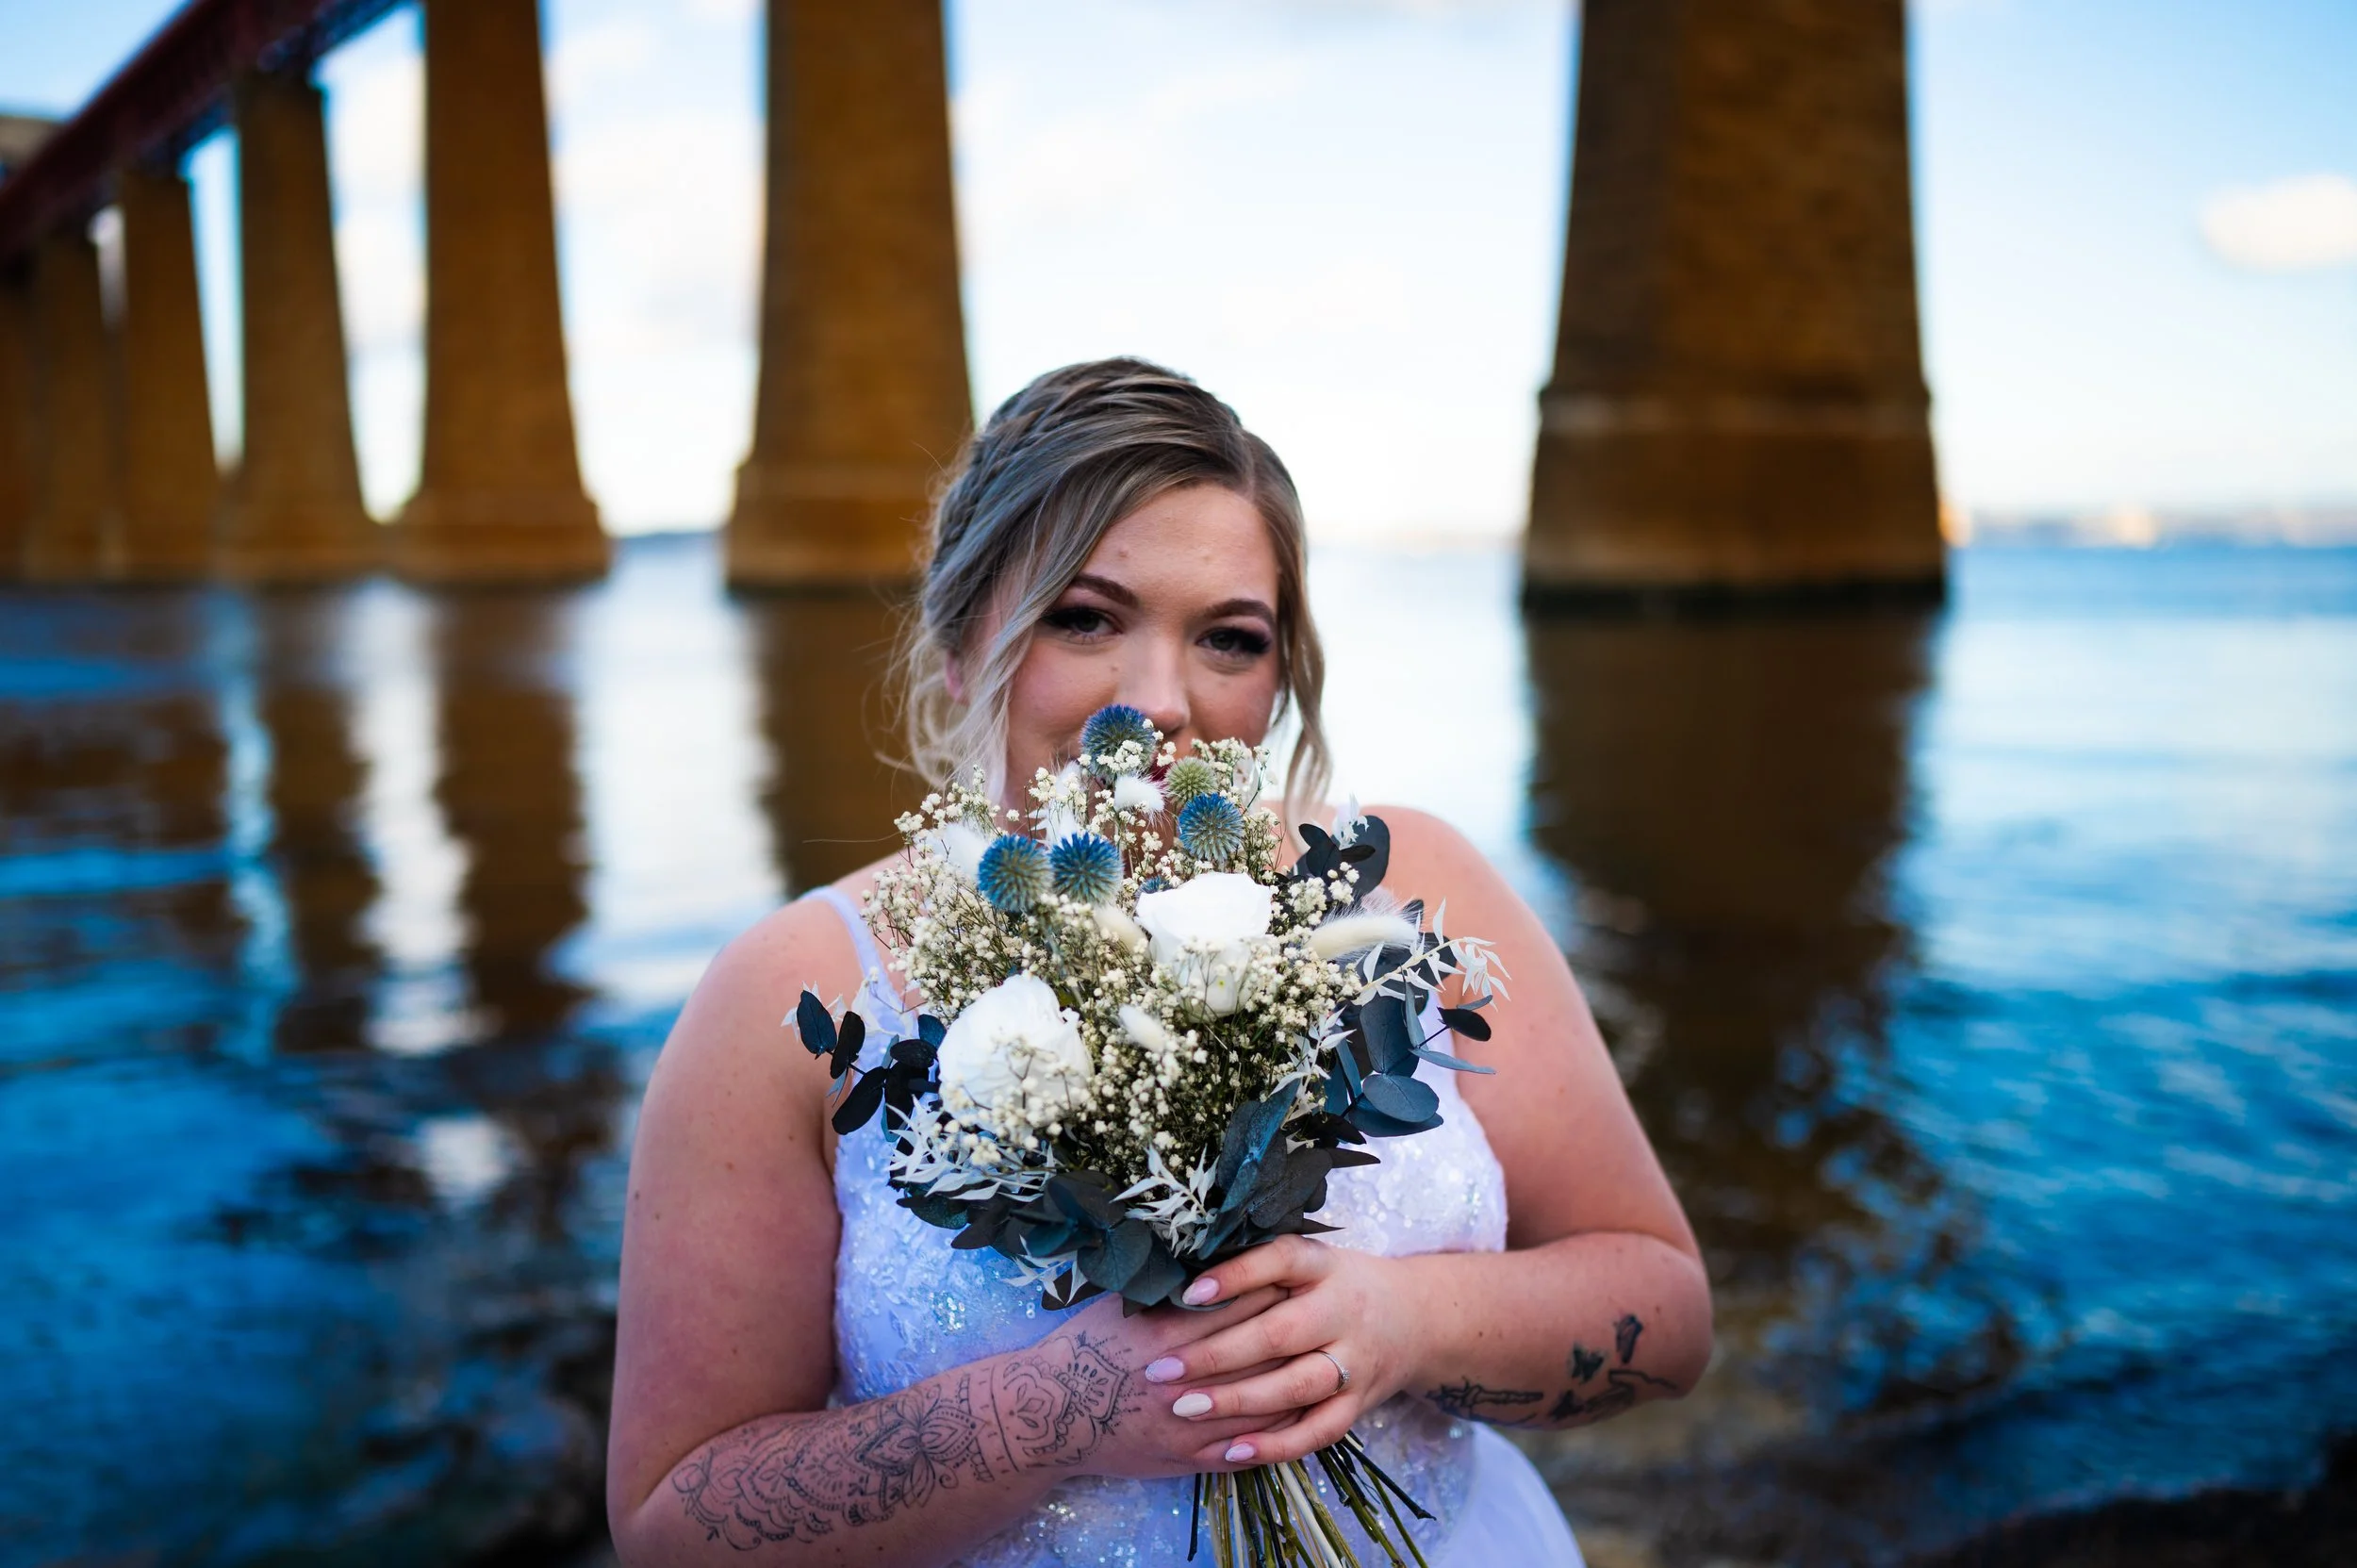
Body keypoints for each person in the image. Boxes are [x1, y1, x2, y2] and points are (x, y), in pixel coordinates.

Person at [606, 359, 1711, 1566]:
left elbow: (1664, 1310)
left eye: (1228, 640)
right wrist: (1050, 1414)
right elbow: (670, 1522)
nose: (1157, 702)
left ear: (1279, 680)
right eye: (1086, 619)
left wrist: (1407, 1324)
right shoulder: (794, 996)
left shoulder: (1404, 892)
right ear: (959, 644)